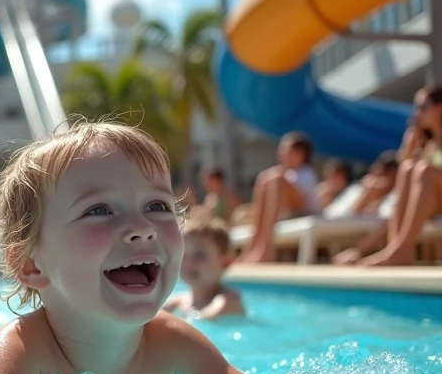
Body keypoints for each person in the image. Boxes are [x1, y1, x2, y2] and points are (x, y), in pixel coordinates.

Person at [0, 119, 414, 374]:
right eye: (99, 210)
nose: (141, 228)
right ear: (30, 265)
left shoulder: (172, 342)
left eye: (157, 205)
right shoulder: (20, 350)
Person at [355, 84, 442, 266]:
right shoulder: (428, 146)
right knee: (409, 167)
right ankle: (396, 250)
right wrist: (409, 143)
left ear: (440, 108)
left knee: (424, 170)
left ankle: (398, 250)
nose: (417, 113)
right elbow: (403, 181)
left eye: (422, 106)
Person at [238, 132, 321, 263]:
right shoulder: (289, 174)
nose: (281, 154)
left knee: (276, 177)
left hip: (304, 213)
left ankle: (266, 248)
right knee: (264, 178)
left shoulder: (306, 173)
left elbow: (302, 202)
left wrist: (278, 179)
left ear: (300, 154)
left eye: (285, 150)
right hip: (290, 213)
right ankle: (253, 246)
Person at [163, 217, 244, 319]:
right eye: (183, 254)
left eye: (200, 255)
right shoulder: (179, 302)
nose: (189, 263)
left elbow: (206, 320)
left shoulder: (228, 300)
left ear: (225, 262)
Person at [330, 152, 401, 264]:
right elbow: (345, 216)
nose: (379, 176)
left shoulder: (397, 194)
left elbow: (390, 218)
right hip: (341, 220)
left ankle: (357, 252)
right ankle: (357, 252)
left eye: (385, 173)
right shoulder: (359, 189)